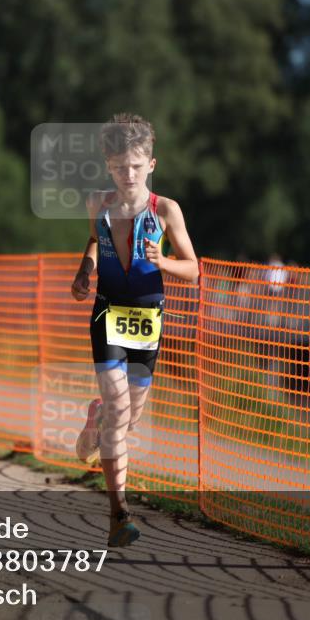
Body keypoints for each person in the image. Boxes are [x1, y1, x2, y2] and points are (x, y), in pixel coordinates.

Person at [70, 114, 199, 547]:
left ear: (152, 165)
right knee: (119, 409)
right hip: (108, 313)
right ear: (109, 165)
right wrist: (85, 270)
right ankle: (119, 513)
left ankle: (96, 419)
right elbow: (93, 241)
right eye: (120, 166)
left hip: (147, 322)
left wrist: (163, 263)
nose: (128, 174)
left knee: (129, 418)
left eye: (136, 166)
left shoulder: (165, 210)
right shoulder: (99, 205)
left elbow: (194, 270)